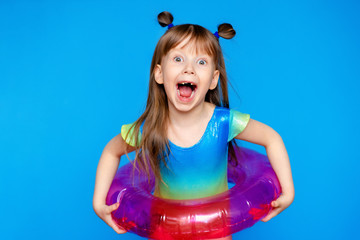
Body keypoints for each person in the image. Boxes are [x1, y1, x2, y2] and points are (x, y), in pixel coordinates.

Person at [93, 11, 295, 240]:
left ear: (212, 80)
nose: (189, 68)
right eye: (178, 59)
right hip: (165, 229)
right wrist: (98, 202)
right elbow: (112, 151)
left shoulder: (223, 122)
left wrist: (288, 191)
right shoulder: (150, 128)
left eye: (201, 62)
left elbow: (272, 138)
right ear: (159, 74)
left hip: (215, 231)